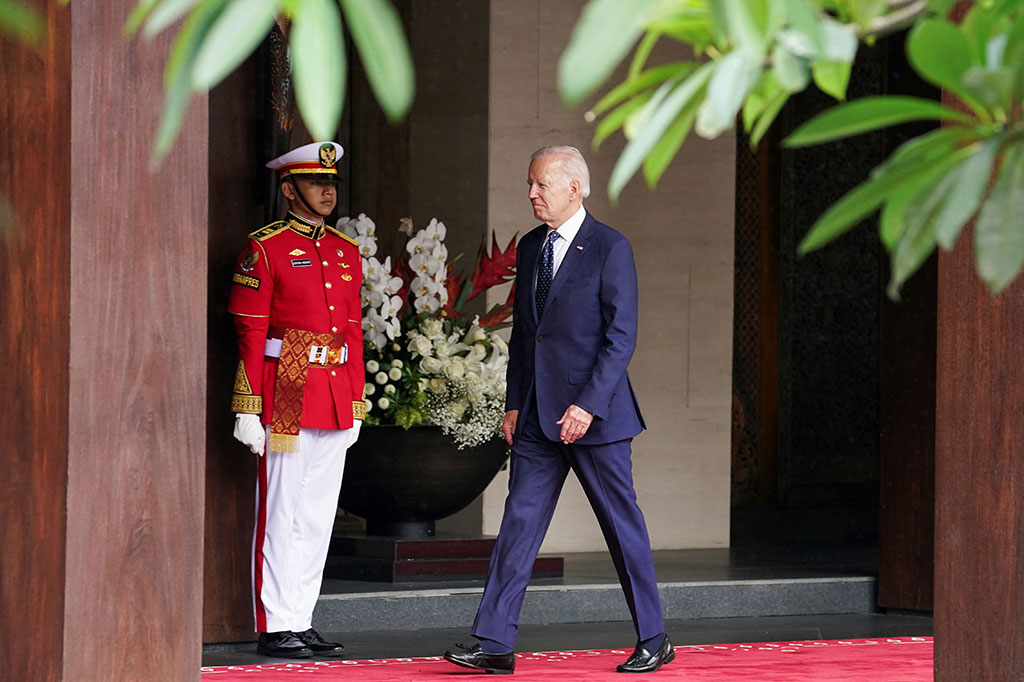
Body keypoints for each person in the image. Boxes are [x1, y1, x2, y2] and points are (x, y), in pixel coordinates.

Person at [443, 146, 673, 674]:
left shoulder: (610, 247)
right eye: (530, 183)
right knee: (517, 526)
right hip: (535, 418)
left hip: (597, 417)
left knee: (621, 527)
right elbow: (527, 336)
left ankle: (655, 638)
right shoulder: (529, 247)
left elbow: (621, 337)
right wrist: (513, 403)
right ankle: (495, 644)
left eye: (541, 185)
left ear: (575, 188)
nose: (531, 194)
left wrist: (587, 406)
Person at [228, 141, 365, 659]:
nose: (327, 191)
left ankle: (301, 618)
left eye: (331, 183)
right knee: (281, 510)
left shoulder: (346, 252)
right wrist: (247, 405)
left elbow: (352, 333)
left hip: (332, 393)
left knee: (316, 514)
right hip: (283, 383)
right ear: (289, 189)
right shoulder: (264, 247)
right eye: (315, 183)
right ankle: (275, 622)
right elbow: (249, 328)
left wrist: (355, 403)